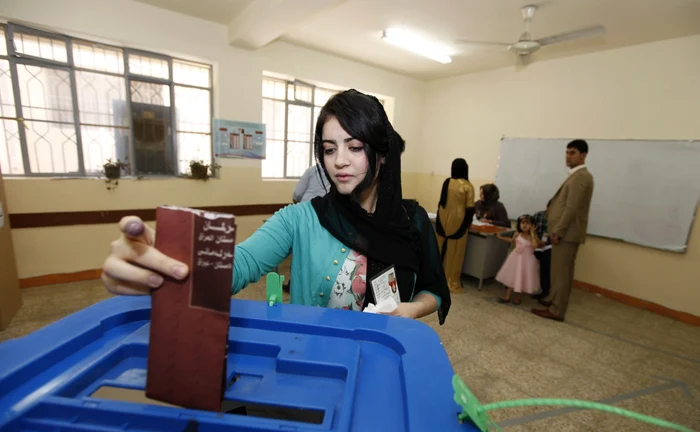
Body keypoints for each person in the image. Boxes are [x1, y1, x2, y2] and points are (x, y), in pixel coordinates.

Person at [101, 89, 451, 323]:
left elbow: (433, 288)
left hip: (384, 359)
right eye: (329, 149)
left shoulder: (413, 219)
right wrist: (165, 264)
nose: (339, 161)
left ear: (382, 153)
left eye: (355, 146)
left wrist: (411, 309)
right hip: (316, 361)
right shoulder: (302, 219)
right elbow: (241, 264)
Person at [532, 139, 594, 322]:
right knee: (558, 271)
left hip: (567, 234)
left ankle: (557, 310)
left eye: (573, 153)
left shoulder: (582, 176)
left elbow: (571, 208)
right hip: (564, 232)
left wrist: (558, 231)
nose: (568, 156)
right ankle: (553, 300)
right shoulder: (575, 175)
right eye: (567, 152)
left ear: (583, 155)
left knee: (562, 273)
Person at [435, 158, 476, 292]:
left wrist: (440, 223)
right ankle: (451, 281)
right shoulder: (468, 186)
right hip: (459, 222)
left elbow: (441, 203)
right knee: (455, 253)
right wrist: (465, 226)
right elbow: (470, 209)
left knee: (439, 250)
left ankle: (435, 278)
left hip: (443, 219)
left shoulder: (447, 182)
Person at [494, 215, 542, 304]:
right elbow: (512, 241)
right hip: (515, 259)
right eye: (523, 223)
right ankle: (507, 297)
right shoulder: (517, 233)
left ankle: (518, 298)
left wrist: (532, 233)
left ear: (532, 225)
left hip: (526, 261)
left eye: (528, 223)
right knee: (512, 276)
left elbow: (535, 246)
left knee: (522, 278)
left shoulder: (532, 236)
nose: (525, 225)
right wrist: (501, 237)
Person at [532, 207, 551, 300]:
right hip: (534, 243)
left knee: (545, 264)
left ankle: (545, 290)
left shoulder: (558, 219)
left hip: (548, 246)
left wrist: (542, 243)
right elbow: (530, 229)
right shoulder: (538, 215)